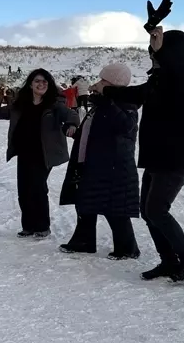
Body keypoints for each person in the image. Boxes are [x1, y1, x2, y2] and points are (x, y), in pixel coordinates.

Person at [92, 23, 184, 282]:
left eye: (158, 52)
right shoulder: (161, 79)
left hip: (177, 157)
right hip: (157, 155)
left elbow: (166, 77)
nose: (153, 57)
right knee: (147, 209)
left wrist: (159, 49)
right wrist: (106, 93)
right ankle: (168, 261)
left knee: (157, 209)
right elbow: (137, 95)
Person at [0, 68, 80, 238]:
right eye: (37, 81)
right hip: (24, 152)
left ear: (48, 85)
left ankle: (42, 226)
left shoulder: (54, 104)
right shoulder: (21, 104)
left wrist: (72, 125)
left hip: (44, 153)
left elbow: (71, 114)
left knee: (37, 187)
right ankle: (28, 226)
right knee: (24, 189)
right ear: (30, 84)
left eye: (44, 81)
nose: (41, 84)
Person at [58, 63, 140, 259]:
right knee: (84, 202)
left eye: (103, 80)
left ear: (114, 83)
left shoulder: (125, 103)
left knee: (116, 208)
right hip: (93, 161)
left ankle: (128, 248)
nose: (98, 83)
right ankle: (83, 241)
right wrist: (76, 133)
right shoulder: (102, 102)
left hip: (114, 165)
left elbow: (125, 126)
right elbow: (95, 129)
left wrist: (107, 104)